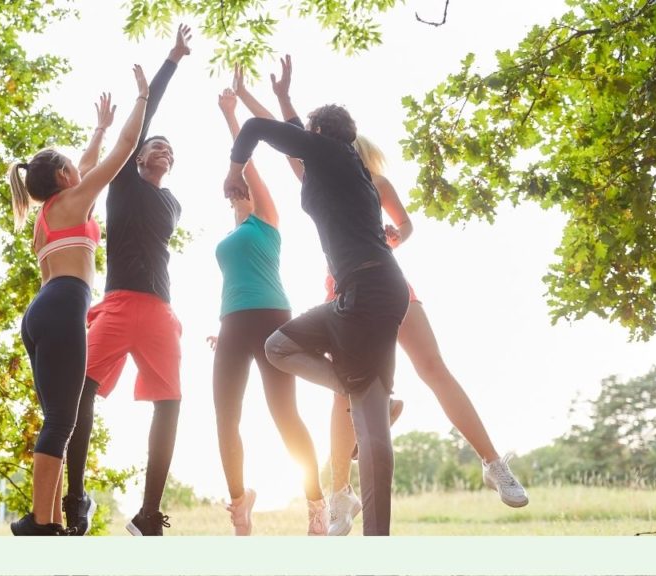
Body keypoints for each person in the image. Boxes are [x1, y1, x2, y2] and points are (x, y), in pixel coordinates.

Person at [224, 55, 409, 536]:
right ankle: (360, 392)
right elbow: (291, 139)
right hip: (370, 289)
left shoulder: (330, 156)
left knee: (362, 424)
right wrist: (286, 96)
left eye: (309, 129)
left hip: (367, 289)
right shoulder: (337, 165)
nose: (304, 136)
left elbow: (258, 130)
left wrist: (234, 171)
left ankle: (360, 393)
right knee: (288, 354)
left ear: (320, 134)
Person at [325, 135, 529, 536]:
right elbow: (287, 140)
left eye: (349, 149)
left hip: (389, 282)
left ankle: (493, 463)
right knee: (341, 391)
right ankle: (340, 493)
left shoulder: (376, 185)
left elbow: (406, 224)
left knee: (434, 367)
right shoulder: (322, 188)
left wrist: (395, 236)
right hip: (344, 290)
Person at [8, 67, 149, 536]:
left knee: (58, 420)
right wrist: (141, 100)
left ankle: (45, 522)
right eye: (73, 168)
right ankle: (39, 521)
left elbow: (84, 164)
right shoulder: (75, 201)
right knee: (62, 423)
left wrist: (98, 128)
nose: (80, 170)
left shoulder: (47, 215)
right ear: (64, 177)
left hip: (39, 311)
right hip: (67, 305)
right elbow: (123, 153)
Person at [63, 25, 192, 537]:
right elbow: (144, 123)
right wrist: (171, 61)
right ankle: (76, 500)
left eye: (170, 152)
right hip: (116, 305)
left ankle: (147, 513)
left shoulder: (173, 203)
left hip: (160, 310)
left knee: (172, 402)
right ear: (138, 156)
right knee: (80, 393)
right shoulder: (124, 183)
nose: (164, 151)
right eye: (155, 146)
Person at [212, 84, 327, 535]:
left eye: (246, 189)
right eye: (235, 191)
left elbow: (250, 160)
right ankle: (240, 506)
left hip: (274, 320)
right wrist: (221, 327)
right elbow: (231, 287)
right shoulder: (227, 238)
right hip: (232, 325)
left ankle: (316, 505)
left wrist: (230, 112)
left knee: (285, 415)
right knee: (225, 415)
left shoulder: (268, 224)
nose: (241, 192)